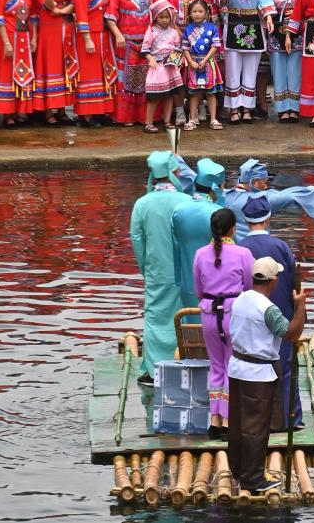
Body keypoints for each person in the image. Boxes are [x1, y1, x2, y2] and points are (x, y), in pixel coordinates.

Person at [226, 256, 307, 494]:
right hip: (257, 374)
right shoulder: (268, 309)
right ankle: (253, 479)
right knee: (255, 428)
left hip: (238, 368)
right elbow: (291, 334)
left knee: (239, 423)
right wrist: (300, 306)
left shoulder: (241, 298)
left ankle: (239, 470)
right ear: (273, 281)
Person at [239, 195, 303, 430]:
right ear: (268, 220)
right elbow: (295, 281)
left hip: (250, 314)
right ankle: (290, 418)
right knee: (284, 366)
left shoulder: (240, 248)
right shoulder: (281, 246)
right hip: (281, 312)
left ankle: (257, 418)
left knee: (253, 365)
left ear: (246, 222)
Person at [129, 150, 193, 383]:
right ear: (175, 172)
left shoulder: (141, 204)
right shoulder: (187, 201)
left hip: (156, 269)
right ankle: (185, 359)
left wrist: (145, 268)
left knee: (155, 317)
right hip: (184, 271)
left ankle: (154, 367)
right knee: (184, 316)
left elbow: (137, 240)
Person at [193, 208, 254, 438]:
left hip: (209, 315)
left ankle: (214, 420)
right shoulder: (243, 253)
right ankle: (228, 420)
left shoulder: (200, 254)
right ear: (233, 229)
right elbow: (249, 288)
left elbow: (198, 290)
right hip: (234, 315)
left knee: (216, 366)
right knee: (232, 366)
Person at [213, 0, 275, 124]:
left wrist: (269, 17)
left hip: (253, 23)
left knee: (251, 68)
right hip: (233, 22)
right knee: (233, 68)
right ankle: (233, 108)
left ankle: (247, 107)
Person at [172, 157, 227, 319]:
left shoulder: (179, 210)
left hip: (187, 282)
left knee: (190, 329)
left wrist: (179, 280)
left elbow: (175, 248)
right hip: (214, 284)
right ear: (216, 188)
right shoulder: (216, 213)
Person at [106, 0, 153, 126]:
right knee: (126, 80)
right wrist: (118, 34)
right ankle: (126, 117)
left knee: (146, 79)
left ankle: (144, 117)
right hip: (126, 43)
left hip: (147, 42)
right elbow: (110, 17)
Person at [71, 0, 117, 126]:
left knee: (103, 72)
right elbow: (81, 16)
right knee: (90, 74)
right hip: (89, 36)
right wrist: (87, 38)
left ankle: (101, 110)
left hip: (104, 36)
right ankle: (86, 114)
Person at [224, 158, 314, 240]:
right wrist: (312, 190)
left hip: (234, 249)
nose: (266, 187)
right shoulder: (263, 199)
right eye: (264, 182)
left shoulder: (224, 196)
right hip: (259, 248)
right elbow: (290, 196)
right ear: (254, 183)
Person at [32, 0, 75, 125]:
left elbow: (74, 0)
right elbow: (48, 5)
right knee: (50, 68)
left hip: (66, 28)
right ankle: (49, 110)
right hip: (49, 30)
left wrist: (64, 9)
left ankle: (63, 109)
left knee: (65, 66)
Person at [265, 0, 303, 123]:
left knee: (295, 67)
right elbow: (263, 5)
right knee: (279, 67)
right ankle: (282, 108)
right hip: (276, 28)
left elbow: (307, 4)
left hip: (297, 27)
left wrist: (296, 12)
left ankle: (294, 107)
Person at [141, 0, 185, 132]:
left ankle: (167, 121)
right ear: (155, 17)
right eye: (161, 17)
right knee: (154, 97)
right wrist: (151, 59)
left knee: (169, 95)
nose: (165, 19)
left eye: (167, 17)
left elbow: (178, 47)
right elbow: (145, 49)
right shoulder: (151, 31)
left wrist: (177, 61)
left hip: (170, 67)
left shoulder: (173, 32)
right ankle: (148, 123)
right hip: (157, 67)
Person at [182, 0, 223, 130]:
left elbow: (216, 46)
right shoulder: (187, 29)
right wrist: (190, 62)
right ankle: (192, 119)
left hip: (208, 63)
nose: (197, 14)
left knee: (211, 92)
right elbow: (185, 48)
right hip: (193, 63)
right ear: (190, 13)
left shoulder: (212, 28)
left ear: (206, 13)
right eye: (194, 11)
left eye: (200, 11)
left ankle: (213, 119)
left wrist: (205, 60)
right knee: (194, 93)